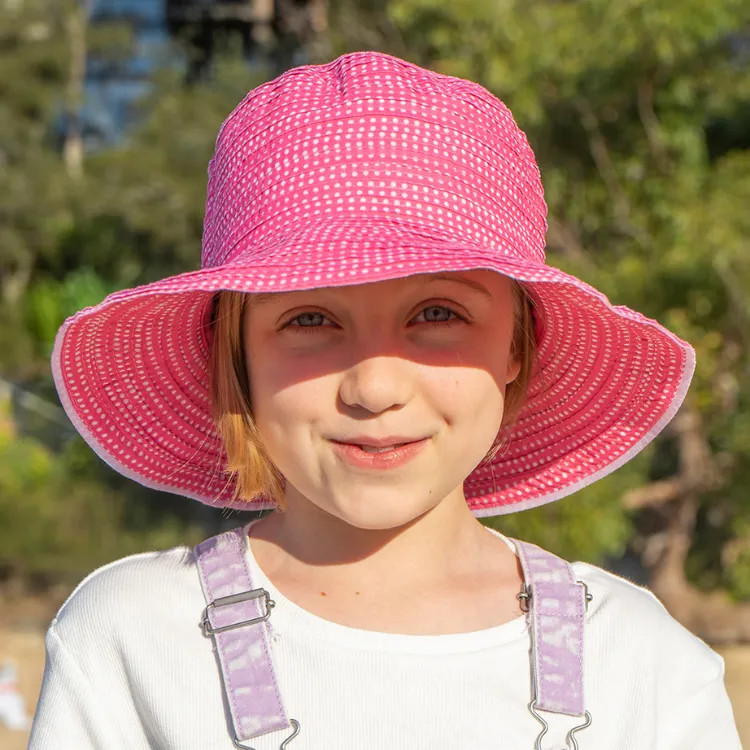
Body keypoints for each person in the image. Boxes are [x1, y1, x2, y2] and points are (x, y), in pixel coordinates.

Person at [28, 51, 741, 750]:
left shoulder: (639, 666)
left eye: (438, 314)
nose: (375, 387)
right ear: (235, 351)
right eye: (309, 319)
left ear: (518, 345)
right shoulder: (135, 639)